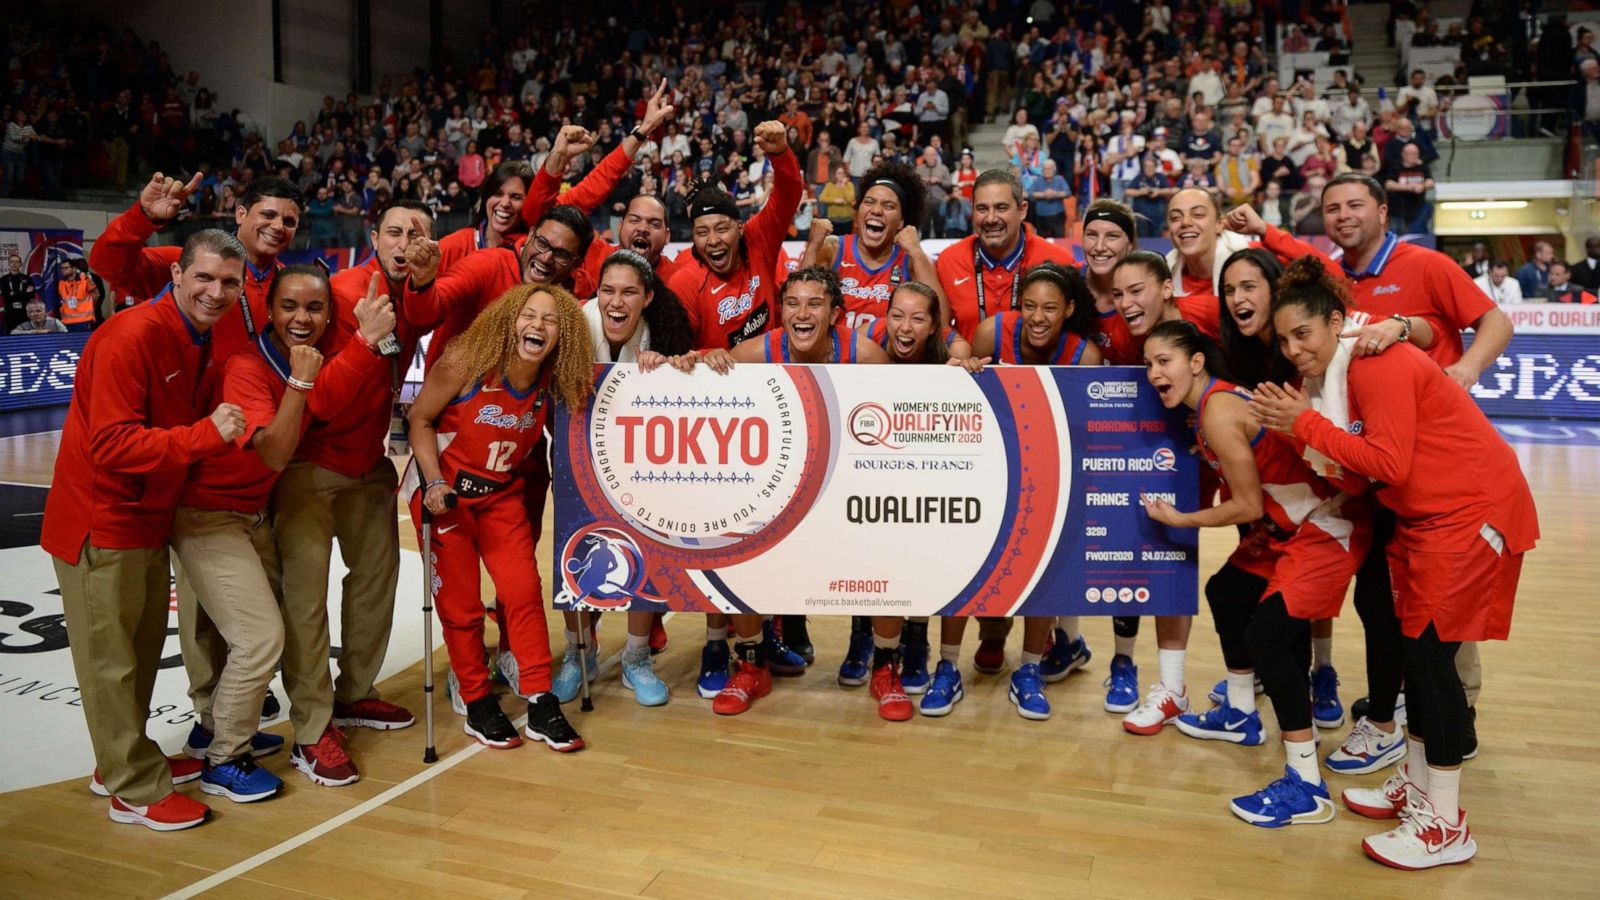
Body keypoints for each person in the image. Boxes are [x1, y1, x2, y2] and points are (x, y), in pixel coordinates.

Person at [1251, 256, 1538, 870]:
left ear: (1336, 324)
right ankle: (1418, 785)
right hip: (1427, 517)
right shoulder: (1339, 377)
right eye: (1283, 339)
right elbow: (1360, 476)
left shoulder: (1374, 362)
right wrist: (1297, 431)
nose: (1294, 349)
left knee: (1433, 667)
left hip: (1471, 510)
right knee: (1416, 660)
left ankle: (1446, 825)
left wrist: (1302, 424)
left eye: (1304, 334)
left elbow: (1388, 464)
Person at [41, 230, 250, 832]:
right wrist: (206, 435)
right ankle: (131, 787)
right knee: (110, 663)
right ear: (177, 275)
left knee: (134, 655)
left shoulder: (195, 336)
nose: (215, 291)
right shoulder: (131, 336)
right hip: (99, 523)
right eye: (204, 277)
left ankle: (120, 761)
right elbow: (110, 445)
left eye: (229, 282)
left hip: (143, 521)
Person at [171, 265, 393, 803]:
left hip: (252, 509)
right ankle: (251, 745)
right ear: (268, 311)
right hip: (210, 511)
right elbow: (275, 450)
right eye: (289, 307)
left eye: (314, 309)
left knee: (272, 622)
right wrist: (303, 379)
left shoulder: (308, 354)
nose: (302, 317)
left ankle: (228, 733)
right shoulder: (249, 364)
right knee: (270, 630)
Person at [1141, 319, 1369, 826]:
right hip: (1289, 523)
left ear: (1196, 362)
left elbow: (1245, 504)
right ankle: (1242, 715)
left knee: (1268, 634)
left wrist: (1181, 520)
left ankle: (1307, 785)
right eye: (1148, 364)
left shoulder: (1218, 412)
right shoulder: (1211, 405)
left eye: (1164, 361)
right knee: (1227, 592)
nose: (1154, 372)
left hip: (1327, 522)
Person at [266, 203, 437, 789]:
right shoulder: (334, 295)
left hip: (369, 465)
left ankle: (355, 693)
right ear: (373, 238)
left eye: (418, 233)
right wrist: (365, 339)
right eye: (395, 231)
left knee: (376, 582)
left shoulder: (418, 296)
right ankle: (311, 730)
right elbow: (315, 399)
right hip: (308, 466)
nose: (405, 241)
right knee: (305, 600)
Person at [668, 267, 890, 717]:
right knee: (738, 544)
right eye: (792, 303)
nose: (802, 313)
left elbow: (889, 424)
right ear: (781, 311)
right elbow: (709, 402)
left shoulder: (864, 354)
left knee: (881, 547)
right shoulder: (752, 353)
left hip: (847, 483)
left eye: (814, 304)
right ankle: (751, 664)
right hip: (780, 488)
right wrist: (694, 365)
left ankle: (884, 664)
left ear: (835, 315)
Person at [406, 283, 593, 751]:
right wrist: (433, 483)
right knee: (462, 605)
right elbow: (420, 420)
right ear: (510, 319)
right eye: (529, 315)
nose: (538, 326)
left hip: (500, 494)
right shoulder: (466, 363)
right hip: (443, 495)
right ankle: (476, 699)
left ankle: (539, 697)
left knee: (522, 593)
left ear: (562, 332)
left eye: (550, 320)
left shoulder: (553, 378)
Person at [89, 173, 305, 363]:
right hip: (198, 406)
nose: (278, 227)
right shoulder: (187, 263)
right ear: (240, 214)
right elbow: (106, 264)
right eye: (268, 215)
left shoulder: (292, 287)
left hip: (261, 404)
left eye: (289, 221)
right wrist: (143, 217)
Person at [669, 120, 802, 352]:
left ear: (739, 227)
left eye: (721, 228)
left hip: (773, 375)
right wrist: (705, 356)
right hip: (720, 384)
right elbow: (676, 353)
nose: (712, 240)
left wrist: (780, 153)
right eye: (702, 232)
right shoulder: (683, 278)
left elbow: (788, 196)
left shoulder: (757, 239)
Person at [800, 160, 945, 333]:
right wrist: (813, 245)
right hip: (837, 357)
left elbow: (941, 322)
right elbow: (801, 309)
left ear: (901, 221)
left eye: (888, 206)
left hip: (886, 358)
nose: (876, 210)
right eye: (869, 202)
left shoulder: (913, 260)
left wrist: (917, 252)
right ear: (859, 210)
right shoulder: (832, 249)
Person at [1383, 144, 1435, 235]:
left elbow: (1431, 182)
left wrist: (1423, 186)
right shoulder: (1396, 167)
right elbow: (1388, 184)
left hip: (1418, 208)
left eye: (1415, 154)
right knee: (1397, 236)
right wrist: (1408, 187)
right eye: (1410, 154)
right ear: (1404, 154)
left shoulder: (1422, 167)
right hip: (1398, 209)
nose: (1413, 156)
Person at [55, 259, 97, 332]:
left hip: (84, 320)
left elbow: (96, 294)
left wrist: (92, 307)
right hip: (67, 321)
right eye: (62, 268)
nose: (63, 270)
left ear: (74, 269)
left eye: (66, 268)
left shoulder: (85, 280)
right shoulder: (61, 283)